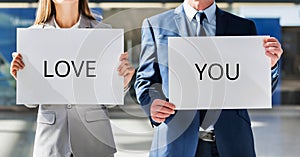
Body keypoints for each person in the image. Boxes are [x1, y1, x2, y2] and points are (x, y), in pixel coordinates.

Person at [134, 0, 283, 157]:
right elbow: (146, 79)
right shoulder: (155, 24)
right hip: (174, 143)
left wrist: (270, 66)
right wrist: (152, 103)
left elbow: (256, 89)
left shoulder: (242, 27)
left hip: (232, 142)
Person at [10, 0, 135, 157]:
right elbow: (31, 102)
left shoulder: (102, 32)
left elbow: (109, 102)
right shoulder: (34, 35)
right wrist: (23, 80)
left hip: (94, 141)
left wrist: (121, 84)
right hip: (52, 141)